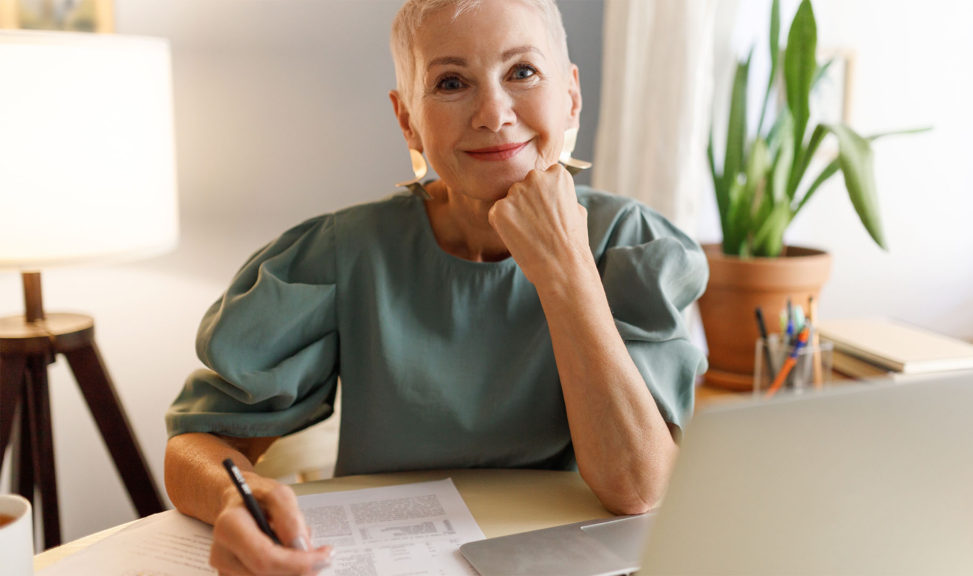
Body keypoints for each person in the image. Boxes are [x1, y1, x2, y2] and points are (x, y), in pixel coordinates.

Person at [163, 0, 708, 573]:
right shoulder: (343, 252)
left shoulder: (631, 245)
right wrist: (235, 498)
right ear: (407, 120)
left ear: (570, 96)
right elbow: (193, 446)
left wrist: (565, 268)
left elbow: (640, 489)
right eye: (451, 82)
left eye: (522, 72)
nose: (494, 114)